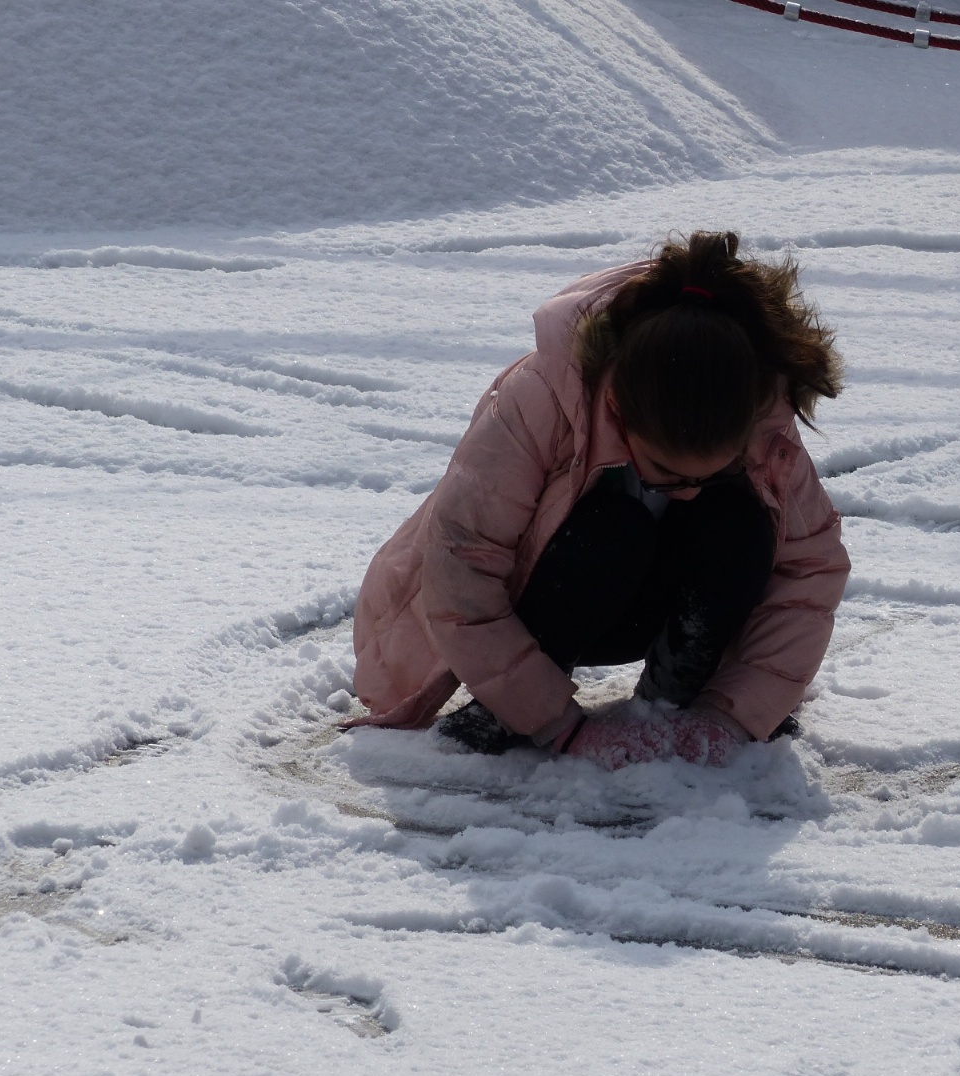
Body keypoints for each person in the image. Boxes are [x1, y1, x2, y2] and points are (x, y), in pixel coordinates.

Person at [347, 231, 849, 771]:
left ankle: (674, 700)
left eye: (709, 474)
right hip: (532, 612)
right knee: (615, 527)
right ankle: (504, 709)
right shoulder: (539, 400)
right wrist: (555, 724)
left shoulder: (761, 425)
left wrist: (736, 713)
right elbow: (462, 573)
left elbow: (810, 573)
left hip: (651, 611)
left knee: (738, 522)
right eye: (667, 473)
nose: (687, 493)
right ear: (615, 408)